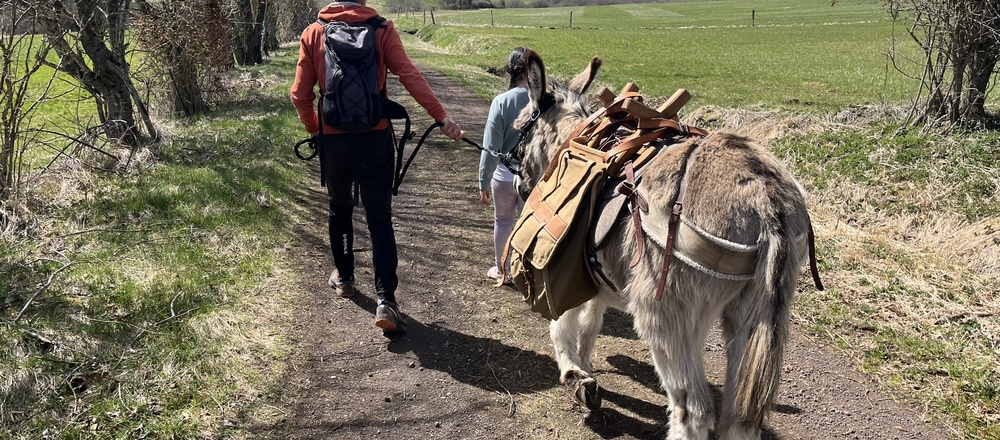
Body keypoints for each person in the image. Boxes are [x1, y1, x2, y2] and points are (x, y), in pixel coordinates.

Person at [290, 1, 465, 334]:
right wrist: (441, 118)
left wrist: (315, 130)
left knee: (339, 210)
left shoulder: (314, 33)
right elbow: (410, 76)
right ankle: (387, 301)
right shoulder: (382, 30)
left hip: (335, 142)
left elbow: (300, 94)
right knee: (380, 218)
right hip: (375, 139)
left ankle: (344, 278)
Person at [478, 47, 531, 284]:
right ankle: (531, 274)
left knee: (503, 221)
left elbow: (490, 148)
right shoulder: (547, 101)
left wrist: (483, 181)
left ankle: (503, 270)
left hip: (504, 174)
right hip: (535, 177)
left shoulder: (501, 102)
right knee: (531, 224)